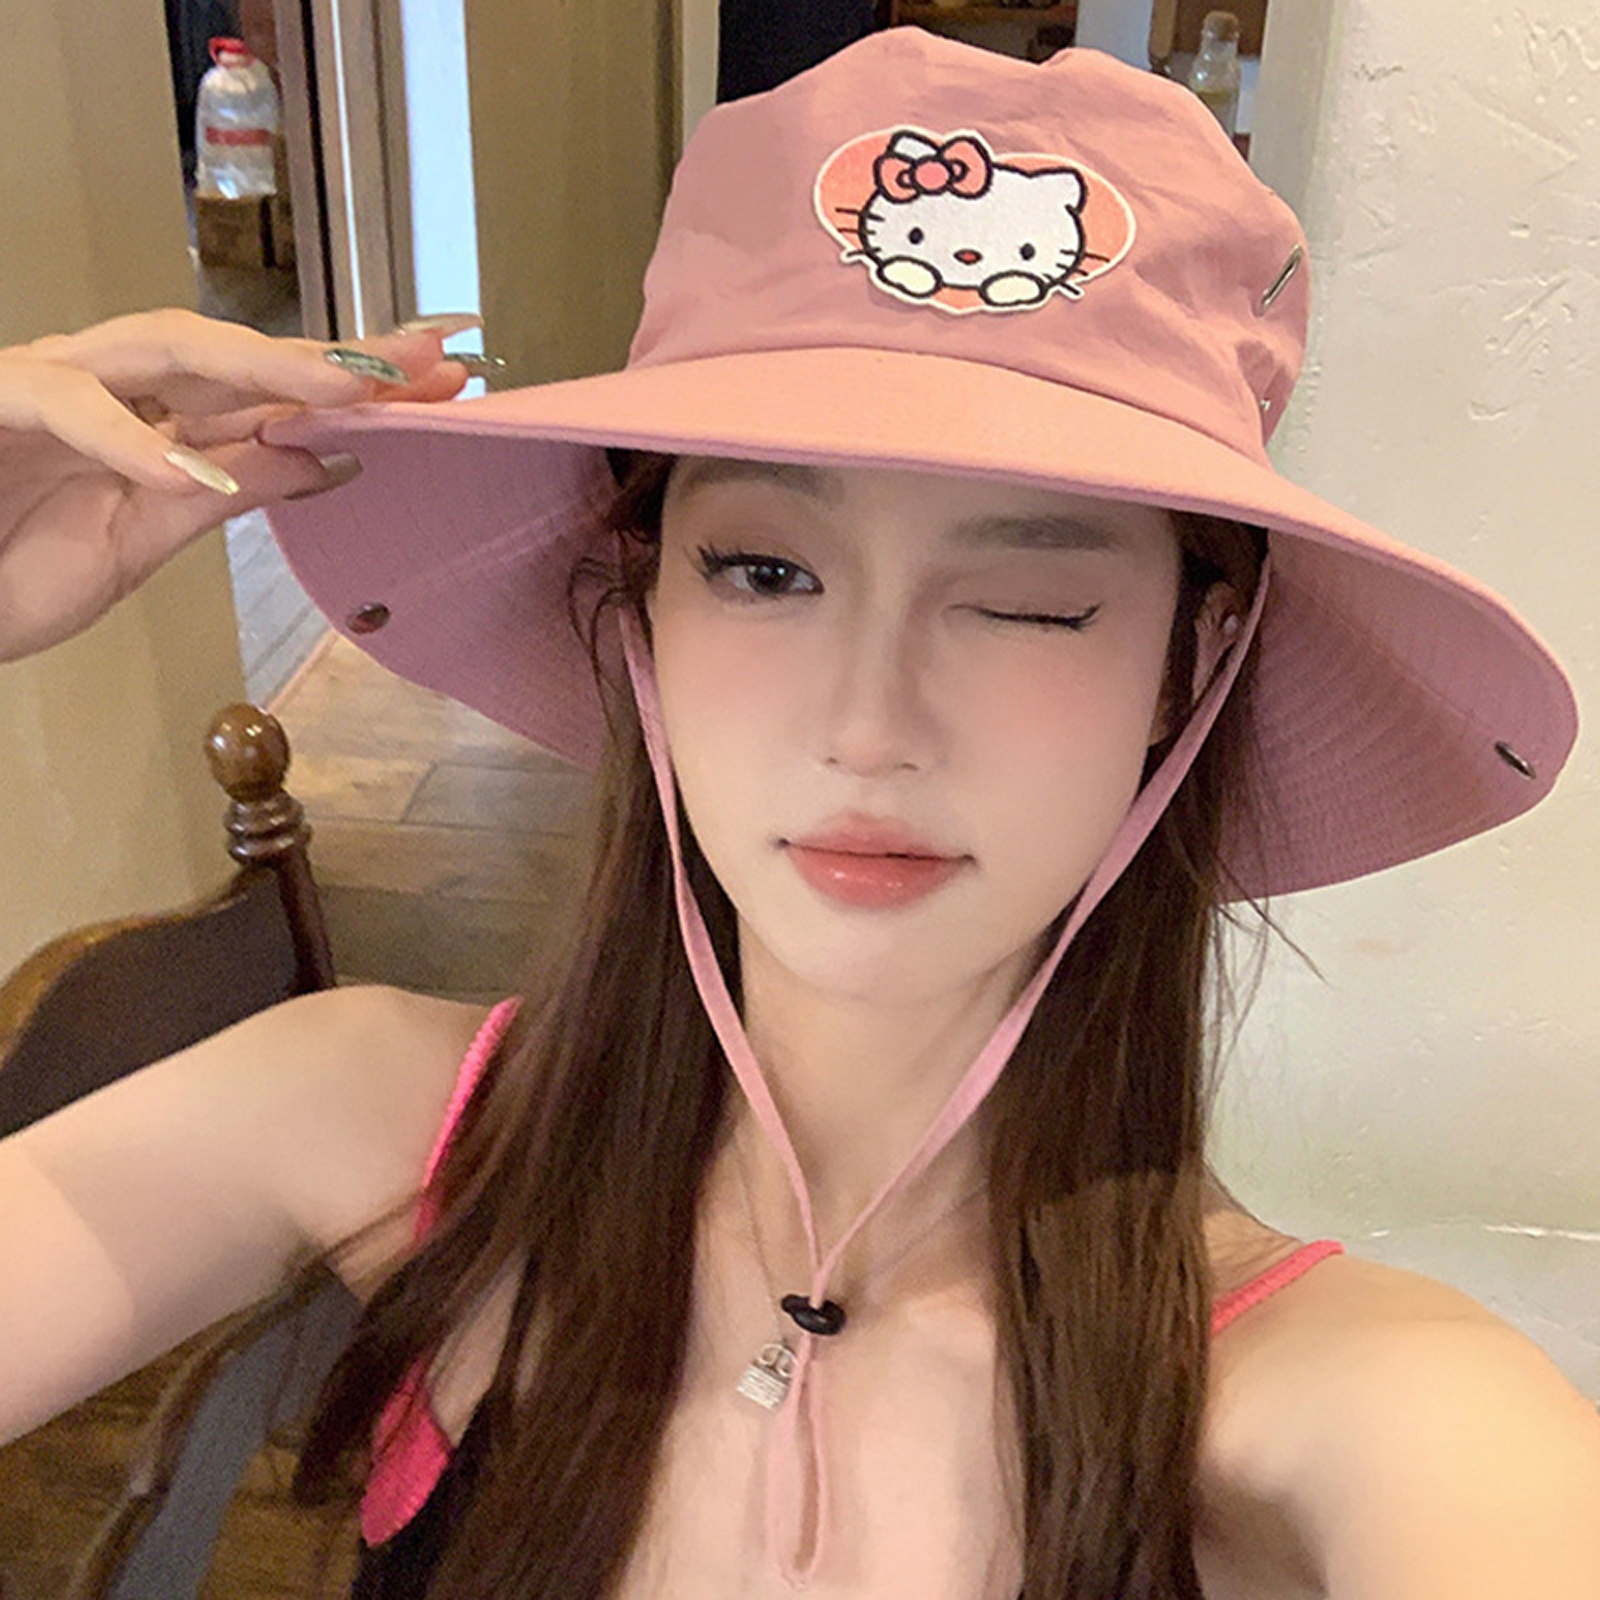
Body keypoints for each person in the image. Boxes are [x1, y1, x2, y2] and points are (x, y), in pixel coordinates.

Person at [2, 27, 1597, 1600]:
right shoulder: (370, 1121)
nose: (868, 727)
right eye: (766, 570)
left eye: (1031, 601)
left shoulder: (1343, 1403)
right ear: (640, 607)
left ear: (1192, 660)